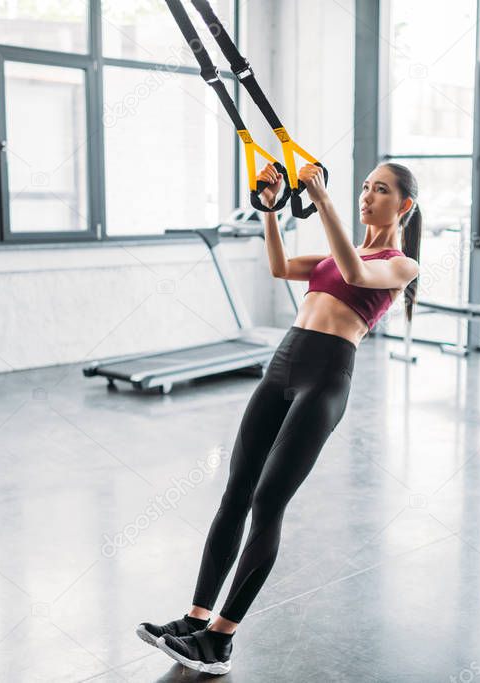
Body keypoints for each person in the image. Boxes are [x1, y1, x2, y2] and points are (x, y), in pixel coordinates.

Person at [136, 161, 423, 674]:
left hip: (325, 375)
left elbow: (358, 275)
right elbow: (278, 264)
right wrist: (270, 209)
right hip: (281, 367)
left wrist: (322, 199)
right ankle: (195, 618)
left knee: (269, 501)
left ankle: (220, 640)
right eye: (363, 187)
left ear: (403, 205)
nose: (366, 196)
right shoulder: (340, 252)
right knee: (235, 493)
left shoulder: (400, 264)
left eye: (380, 190)